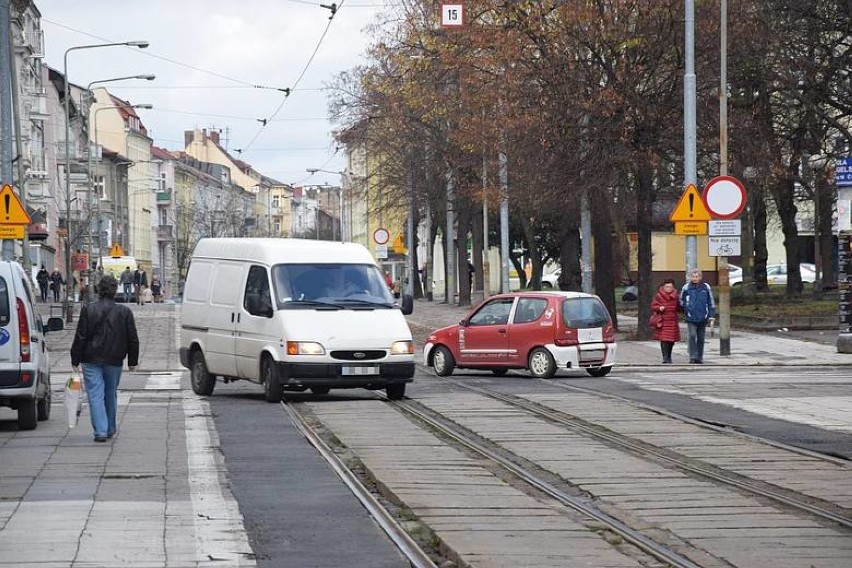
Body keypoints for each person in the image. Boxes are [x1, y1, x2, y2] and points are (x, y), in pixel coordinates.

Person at [70, 275, 139, 443]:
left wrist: (75, 358)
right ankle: (110, 428)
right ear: (115, 291)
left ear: (98, 290)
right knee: (110, 393)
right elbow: (133, 338)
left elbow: (81, 335)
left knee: (95, 394)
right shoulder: (124, 311)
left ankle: (100, 431)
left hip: (91, 357)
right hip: (114, 358)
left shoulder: (89, 309)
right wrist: (132, 361)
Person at [681, 268, 715, 364]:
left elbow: (710, 302)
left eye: (697, 276)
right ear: (690, 277)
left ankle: (699, 357)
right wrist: (686, 308)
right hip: (691, 316)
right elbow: (681, 300)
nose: (695, 278)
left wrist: (711, 314)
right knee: (692, 335)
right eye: (693, 276)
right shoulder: (686, 288)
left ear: (700, 277)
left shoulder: (706, 287)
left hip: (703, 316)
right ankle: (693, 356)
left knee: (701, 337)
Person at [650, 278, 681, 364]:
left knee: (671, 340)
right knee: (664, 340)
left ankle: (669, 356)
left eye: (670, 287)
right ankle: (665, 357)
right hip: (663, 321)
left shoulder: (676, 296)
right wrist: (659, 308)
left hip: (672, 321)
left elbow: (679, 307)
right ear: (663, 287)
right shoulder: (658, 296)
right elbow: (653, 306)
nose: (668, 289)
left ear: (673, 287)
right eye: (667, 287)